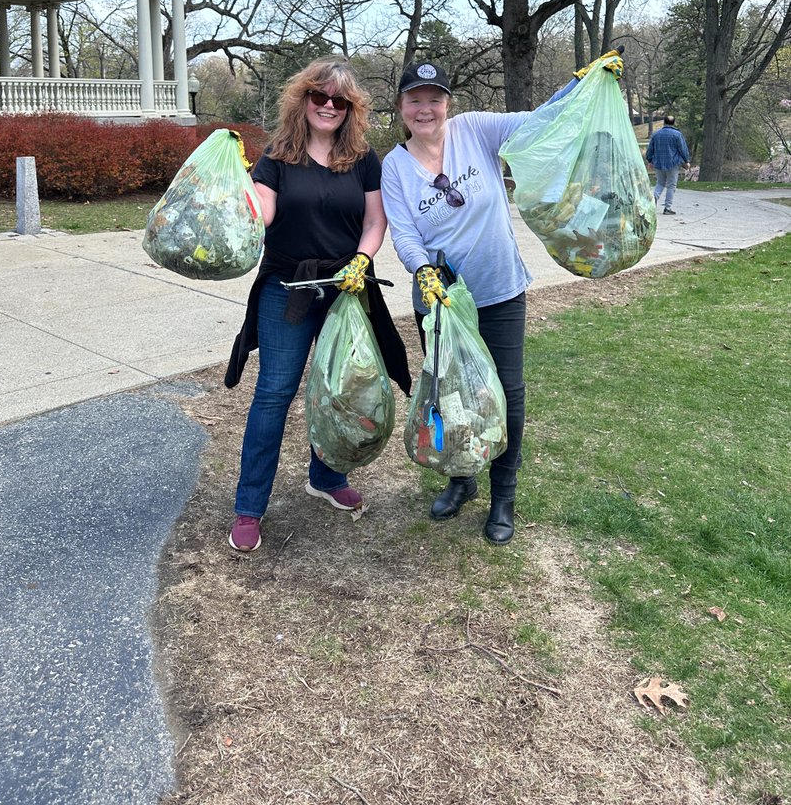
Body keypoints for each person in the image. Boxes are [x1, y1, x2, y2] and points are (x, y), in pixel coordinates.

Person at [380, 52, 623, 545]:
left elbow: (538, 124)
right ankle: (462, 478)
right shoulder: (394, 166)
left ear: (447, 103)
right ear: (402, 107)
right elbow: (404, 234)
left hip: (499, 291)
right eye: (414, 100)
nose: (424, 109)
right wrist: (423, 271)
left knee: (507, 395)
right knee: (452, 397)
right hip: (442, 302)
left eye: (434, 99)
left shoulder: (477, 130)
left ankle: (503, 497)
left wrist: (582, 85)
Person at [224, 57, 410, 553]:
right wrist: (239, 187)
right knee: (274, 394)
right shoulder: (278, 156)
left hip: (345, 288)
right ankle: (249, 506)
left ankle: (326, 477)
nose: (328, 106)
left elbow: (375, 223)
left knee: (341, 389)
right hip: (287, 289)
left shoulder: (364, 159)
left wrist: (361, 260)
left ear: (352, 109)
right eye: (319, 96)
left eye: (339, 101)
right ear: (303, 99)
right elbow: (263, 214)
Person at [645, 114, 691, 215]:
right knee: (671, 185)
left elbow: (650, 150)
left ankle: (654, 200)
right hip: (672, 163)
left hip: (659, 163)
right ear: (673, 123)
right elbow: (682, 149)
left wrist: (650, 160)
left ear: (664, 122)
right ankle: (667, 208)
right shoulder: (677, 134)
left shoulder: (656, 134)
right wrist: (686, 161)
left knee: (660, 183)